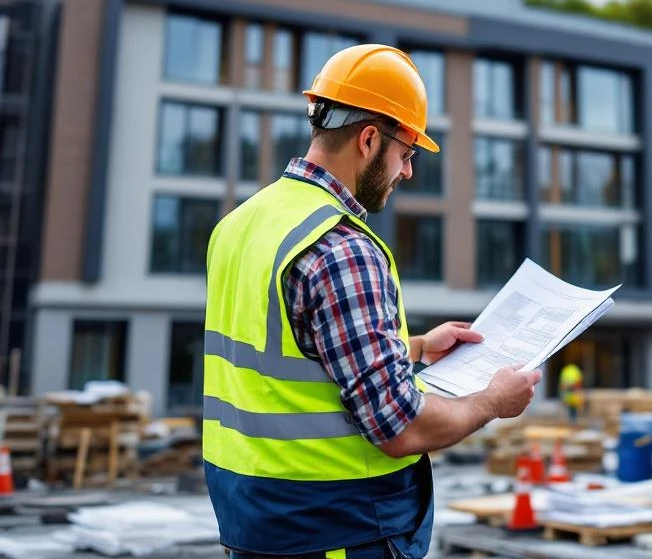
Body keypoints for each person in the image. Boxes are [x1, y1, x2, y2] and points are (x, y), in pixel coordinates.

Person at [203, 44, 541, 559]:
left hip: (255, 525)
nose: (407, 172)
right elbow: (399, 426)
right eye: (406, 154)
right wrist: (493, 401)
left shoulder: (239, 226)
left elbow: (290, 355)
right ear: (368, 140)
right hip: (339, 529)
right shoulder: (343, 249)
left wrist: (417, 347)